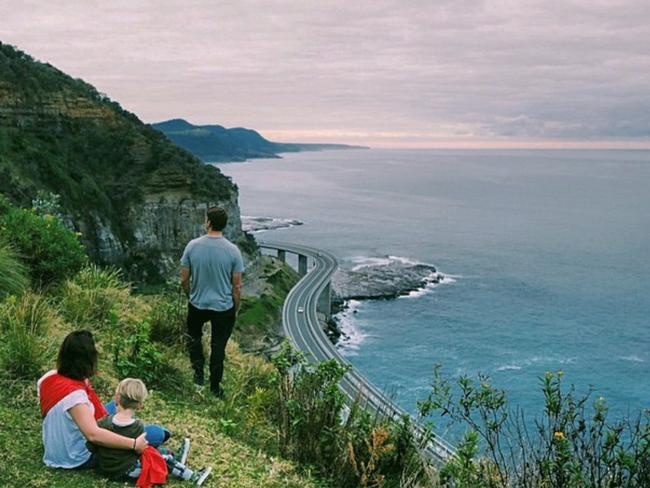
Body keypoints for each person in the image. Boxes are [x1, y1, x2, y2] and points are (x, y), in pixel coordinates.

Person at [37, 330, 148, 469]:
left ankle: (128, 420)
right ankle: (162, 451)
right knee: (153, 433)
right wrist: (133, 444)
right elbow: (93, 435)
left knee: (118, 407)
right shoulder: (75, 397)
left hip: (56, 445)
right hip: (77, 456)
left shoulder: (48, 378)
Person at [88, 378, 212, 486]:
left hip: (105, 469)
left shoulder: (103, 422)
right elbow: (140, 450)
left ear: (117, 398)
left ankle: (177, 460)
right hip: (126, 470)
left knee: (160, 452)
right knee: (161, 457)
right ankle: (193, 476)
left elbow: (92, 446)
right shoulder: (137, 426)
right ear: (140, 405)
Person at [180, 207, 244, 397]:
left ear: (208, 223)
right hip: (223, 307)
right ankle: (215, 387)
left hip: (197, 303)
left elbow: (183, 279)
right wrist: (236, 308)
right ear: (224, 225)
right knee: (218, 347)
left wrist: (190, 295)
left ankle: (198, 375)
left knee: (194, 339)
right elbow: (237, 286)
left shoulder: (192, 246)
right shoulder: (233, 251)